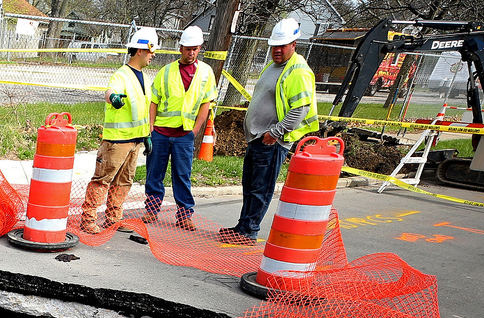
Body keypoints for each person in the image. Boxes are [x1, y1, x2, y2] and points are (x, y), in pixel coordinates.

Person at [219, 18, 319, 245]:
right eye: (274, 45)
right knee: (250, 185)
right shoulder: (274, 67)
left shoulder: (298, 71)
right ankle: (242, 227)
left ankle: (249, 231)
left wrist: (275, 132)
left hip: (272, 142)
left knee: (260, 189)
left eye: (282, 46)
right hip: (258, 137)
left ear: (294, 44)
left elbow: (300, 109)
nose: (277, 50)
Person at [80, 27, 157, 235]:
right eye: (151, 51)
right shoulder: (121, 75)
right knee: (103, 180)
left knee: (124, 181)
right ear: (140, 50)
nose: (153, 55)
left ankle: (113, 218)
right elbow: (110, 91)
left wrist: (146, 136)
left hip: (134, 141)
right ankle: (88, 219)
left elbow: (142, 110)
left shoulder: (144, 78)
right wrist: (112, 98)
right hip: (117, 142)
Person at [143, 25, 217, 230]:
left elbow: (206, 103)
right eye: (187, 49)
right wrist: (151, 127)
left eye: (195, 49)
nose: (191, 53)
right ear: (180, 48)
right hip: (161, 132)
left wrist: (195, 130)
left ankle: (184, 214)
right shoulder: (166, 72)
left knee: (182, 175)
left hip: (184, 134)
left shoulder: (206, 73)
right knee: (154, 173)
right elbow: (154, 101)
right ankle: (151, 210)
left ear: (200, 48)